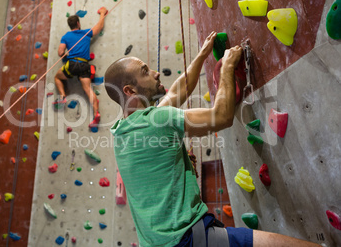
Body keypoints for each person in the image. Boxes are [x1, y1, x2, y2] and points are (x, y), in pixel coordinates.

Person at [104, 31, 320, 247]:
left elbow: (177, 93)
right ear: (130, 90)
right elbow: (222, 117)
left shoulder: (123, 132)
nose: (156, 72)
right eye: (145, 71)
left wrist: (203, 54)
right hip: (188, 239)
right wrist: (226, 67)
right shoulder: (156, 120)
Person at [54, 7, 108, 129]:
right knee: (88, 90)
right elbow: (99, 27)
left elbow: (60, 51)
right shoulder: (85, 33)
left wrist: (64, 55)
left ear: (70, 25)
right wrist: (103, 13)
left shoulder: (66, 36)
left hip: (72, 64)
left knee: (57, 77)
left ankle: (62, 96)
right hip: (84, 65)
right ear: (78, 23)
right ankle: (96, 114)